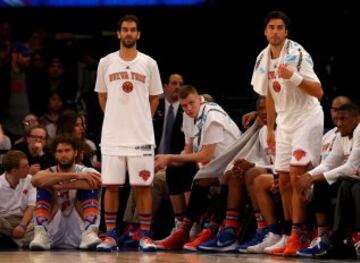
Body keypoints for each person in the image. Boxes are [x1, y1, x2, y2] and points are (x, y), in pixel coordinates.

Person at [251, 11, 324, 256]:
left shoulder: (298, 54)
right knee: (282, 179)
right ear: (265, 31)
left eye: (279, 28)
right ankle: (286, 234)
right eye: (271, 27)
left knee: (296, 175)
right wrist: (270, 128)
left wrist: (292, 76)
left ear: (286, 32)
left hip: (307, 117)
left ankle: (299, 233)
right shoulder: (263, 58)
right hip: (285, 122)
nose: (275, 32)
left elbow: (318, 91)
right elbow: (269, 95)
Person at [95, 14, 163, 252]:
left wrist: (143, 117)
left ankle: (145, 235)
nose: (128, 33)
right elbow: (101, 95)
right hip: (113, 135)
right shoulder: (106, 62)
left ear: (138, 34)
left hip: (141, 136)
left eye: (132, 30)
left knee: (143, 187)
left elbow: (155, 97)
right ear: (118, 34)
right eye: (124, 29)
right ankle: (111, 235)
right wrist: (114, 116)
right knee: (111, 186)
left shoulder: (149, 63)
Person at [154, 85, 241, 251]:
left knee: (196, 174)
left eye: (191, 103)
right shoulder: (188, 115)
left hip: (231, 167)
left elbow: (205, 156)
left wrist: (169, 157)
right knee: (174, 170)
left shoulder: (212, 116)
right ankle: (181, 228)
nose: (188, 109)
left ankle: (198, 228)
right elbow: (187, 153)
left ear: (199, 99)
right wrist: (160, 162)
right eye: (184, 106)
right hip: (213, 166)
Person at [297, 103, 360, 259]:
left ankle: (350, 237)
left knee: (350, 187)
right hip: (354, 179)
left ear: (357, 119)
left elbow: (351, 167)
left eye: (343, 119)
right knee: (324, 184)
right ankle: (324, 237)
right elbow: (329, 163)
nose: (338, 123)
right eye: (337, 119)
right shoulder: (342, 135)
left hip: (355, 180)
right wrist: (308, 176)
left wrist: (313, 178)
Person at [29, 134, 102, 250]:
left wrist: (62, 186)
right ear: (55, 154)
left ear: (76, 152)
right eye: (59, 151)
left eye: (67, 150)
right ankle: (41, 233)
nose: (63, 154)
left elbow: (98, 182)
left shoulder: (85, 171)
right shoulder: (53, 171)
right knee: (43, 186)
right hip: (54, 229)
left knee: (89, 188)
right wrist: (75, 176)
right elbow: (35, 180)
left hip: (79, 229)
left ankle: (89, 231)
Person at [0, 150, 35, 248]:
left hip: (24, 220)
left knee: (42, 221)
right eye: (24, 167)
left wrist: (22, 226)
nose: (29, 168)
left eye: (28, 165)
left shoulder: (30, 180)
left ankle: (11, 241)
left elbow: (31, 206)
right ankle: (20, 240)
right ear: (14, 171)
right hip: (4, 220)